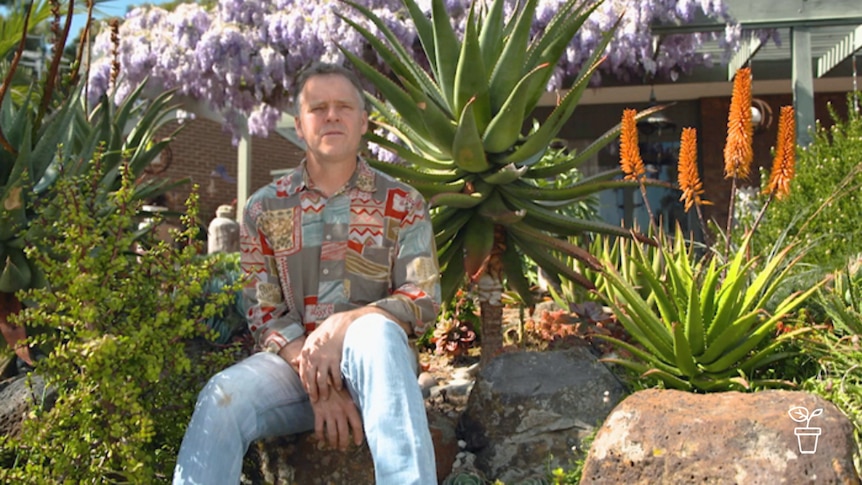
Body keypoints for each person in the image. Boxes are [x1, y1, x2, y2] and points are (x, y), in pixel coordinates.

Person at [173, 63, 441, 484]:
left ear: (363, 121)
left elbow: (421, 298)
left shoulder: (403, 202)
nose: (332, 115)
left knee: (375, 333)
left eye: (344, 106)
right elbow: (264, 312)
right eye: (318, 108)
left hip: (379, 368)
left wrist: (344, 323)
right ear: (299, 125)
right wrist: (321, 384)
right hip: (293, 370)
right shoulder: (265, 208)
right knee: (220, 398)